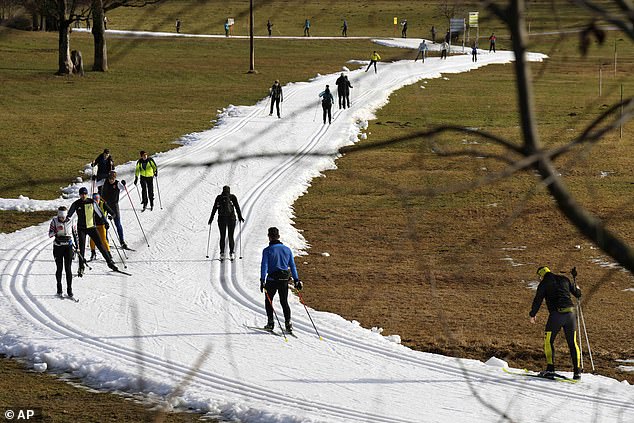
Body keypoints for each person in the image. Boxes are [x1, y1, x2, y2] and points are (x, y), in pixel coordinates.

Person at [529, 266, 582, 380]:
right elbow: (578, 294)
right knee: (572, 342)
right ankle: (577, 372)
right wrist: (574, 279)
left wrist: (533, 314)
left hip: (557, 315)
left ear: (541, 275)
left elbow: (538, 300)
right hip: (571, 314)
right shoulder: (564, 279)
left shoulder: (544, 283)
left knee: (548, 341)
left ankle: (550, 368)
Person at [67, 187, 118, 275]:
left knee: (100, 245)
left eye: (85, 194)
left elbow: (100, 213)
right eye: (82, 194)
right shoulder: (76, 203)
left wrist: (105, 222)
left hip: (92, 227)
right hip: (81, 229)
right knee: (81, 249)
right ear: (79, 195)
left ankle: (110, 263)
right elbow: (69, 215)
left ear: (87, 194)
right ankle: (81, 267)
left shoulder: (92, 202)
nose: (83, 196)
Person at [260, 227, 303, 333]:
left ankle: (270, 323)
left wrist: (262, 280)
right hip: (284, 279)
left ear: (269, 237)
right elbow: (292, 266)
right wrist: (296, 280)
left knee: (269, 301)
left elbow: (264, 266)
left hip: (272, 280)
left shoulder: (267, 250)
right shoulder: (287, 250)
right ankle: (288, 324)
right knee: (284, 302)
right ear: (278, 236)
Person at [207, 186, 244, 261]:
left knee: (222, 236)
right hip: (231, 219)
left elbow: (214, 208)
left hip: (221, 219)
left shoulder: (219, 198)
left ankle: (222, 253)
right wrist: (240, 217)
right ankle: (231, 253)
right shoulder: (232, 197)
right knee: (231, 236)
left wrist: (211, 218)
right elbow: (237, 207)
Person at [49, 206, 78, 298]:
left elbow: (75, 233)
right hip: (58, 247)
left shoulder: (71, 221)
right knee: (59, 268)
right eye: (60, 216)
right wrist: (57, 230)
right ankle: (59, 290)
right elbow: (50, 234)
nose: (62, 218)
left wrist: (77, 247)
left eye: (63, 216)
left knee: (68, 268)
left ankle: (69, 291)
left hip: (68, 247)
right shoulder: (54, 221)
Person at [101, 170, 128, 249]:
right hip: (104, 205)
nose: (111, 180)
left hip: (114, 205)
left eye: (112, 179)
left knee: (118, 223)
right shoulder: (105, 182)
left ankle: (122, 241)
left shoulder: (117, 184)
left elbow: (124, 188)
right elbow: (97, 184)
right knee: (104, 223)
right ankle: (105, 240)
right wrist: (94, 179)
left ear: (115, 178)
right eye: (109, 178)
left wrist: (124, 184)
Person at [88, 193, 115, 261]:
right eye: (95, 199)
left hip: (102, 224)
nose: (96, 200)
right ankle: (93, 254)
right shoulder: (90, 205)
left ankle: (109, 255)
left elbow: (113, 213)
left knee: (103, 240)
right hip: (93, 225)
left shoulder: (103, 204)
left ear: (99, 199)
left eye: (97, 198)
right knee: (92, 240)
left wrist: (111, 217)